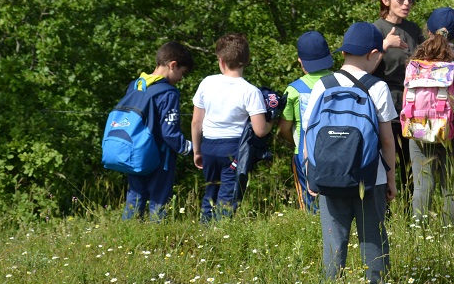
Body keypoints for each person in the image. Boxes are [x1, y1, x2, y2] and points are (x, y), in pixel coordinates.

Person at [305, 22, 397, 284]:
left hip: (328, 174)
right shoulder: (377, 87)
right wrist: (390, 179)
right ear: (374, 54)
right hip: (370, 177)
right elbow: (387, 140)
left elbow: (310, 133)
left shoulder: (322, 85)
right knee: (373, 237)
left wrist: (312, 174)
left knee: (334, 238)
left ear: (343, 53)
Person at [192, 34, 270, 222]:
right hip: (233, 149)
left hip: (208, 146)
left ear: (221, 60)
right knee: (227, 197)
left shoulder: (207, 82)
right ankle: (221, 236)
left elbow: (196, 122)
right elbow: (260, 130)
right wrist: (270, 123)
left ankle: (204, 230)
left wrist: (196, 150)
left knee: (210, 192)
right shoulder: (250, 91)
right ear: (247, 60)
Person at [408, 8, 454, 219]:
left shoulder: (414, 63)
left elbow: (406, 100)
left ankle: (419, 234)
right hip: (451, 127)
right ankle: (449, 234)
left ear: (428, 31)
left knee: (422, 185)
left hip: (417, 125)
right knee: (451, 185)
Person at [121, 41, 195, 220]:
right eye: (182, 73)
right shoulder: (168, 93)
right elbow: (169, 132)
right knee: (159, 200)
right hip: (160, 156)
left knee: (135, 196)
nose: (180, 79)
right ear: (173, 65)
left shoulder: (136, 85)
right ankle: (157, 239)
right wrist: (190, 148)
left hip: (134, 151)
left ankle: (126, 235)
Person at [372, 0, 423, 190]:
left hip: (413, 104)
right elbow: (363, 69)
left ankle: (411, 216)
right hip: (385, 105)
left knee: (411, 166)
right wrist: (384, 46)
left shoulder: (414, 30)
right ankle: (386, 213)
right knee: (387, 162)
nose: (407, 4)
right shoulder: (375, 30)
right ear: (385, 0)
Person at [279, 30, 334, 212]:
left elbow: (284, 128)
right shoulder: (339, 82)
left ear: (300, 61)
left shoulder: (294, 89)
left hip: (304, 154)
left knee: (308, 204)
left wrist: (295, 143)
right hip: (337, 149)